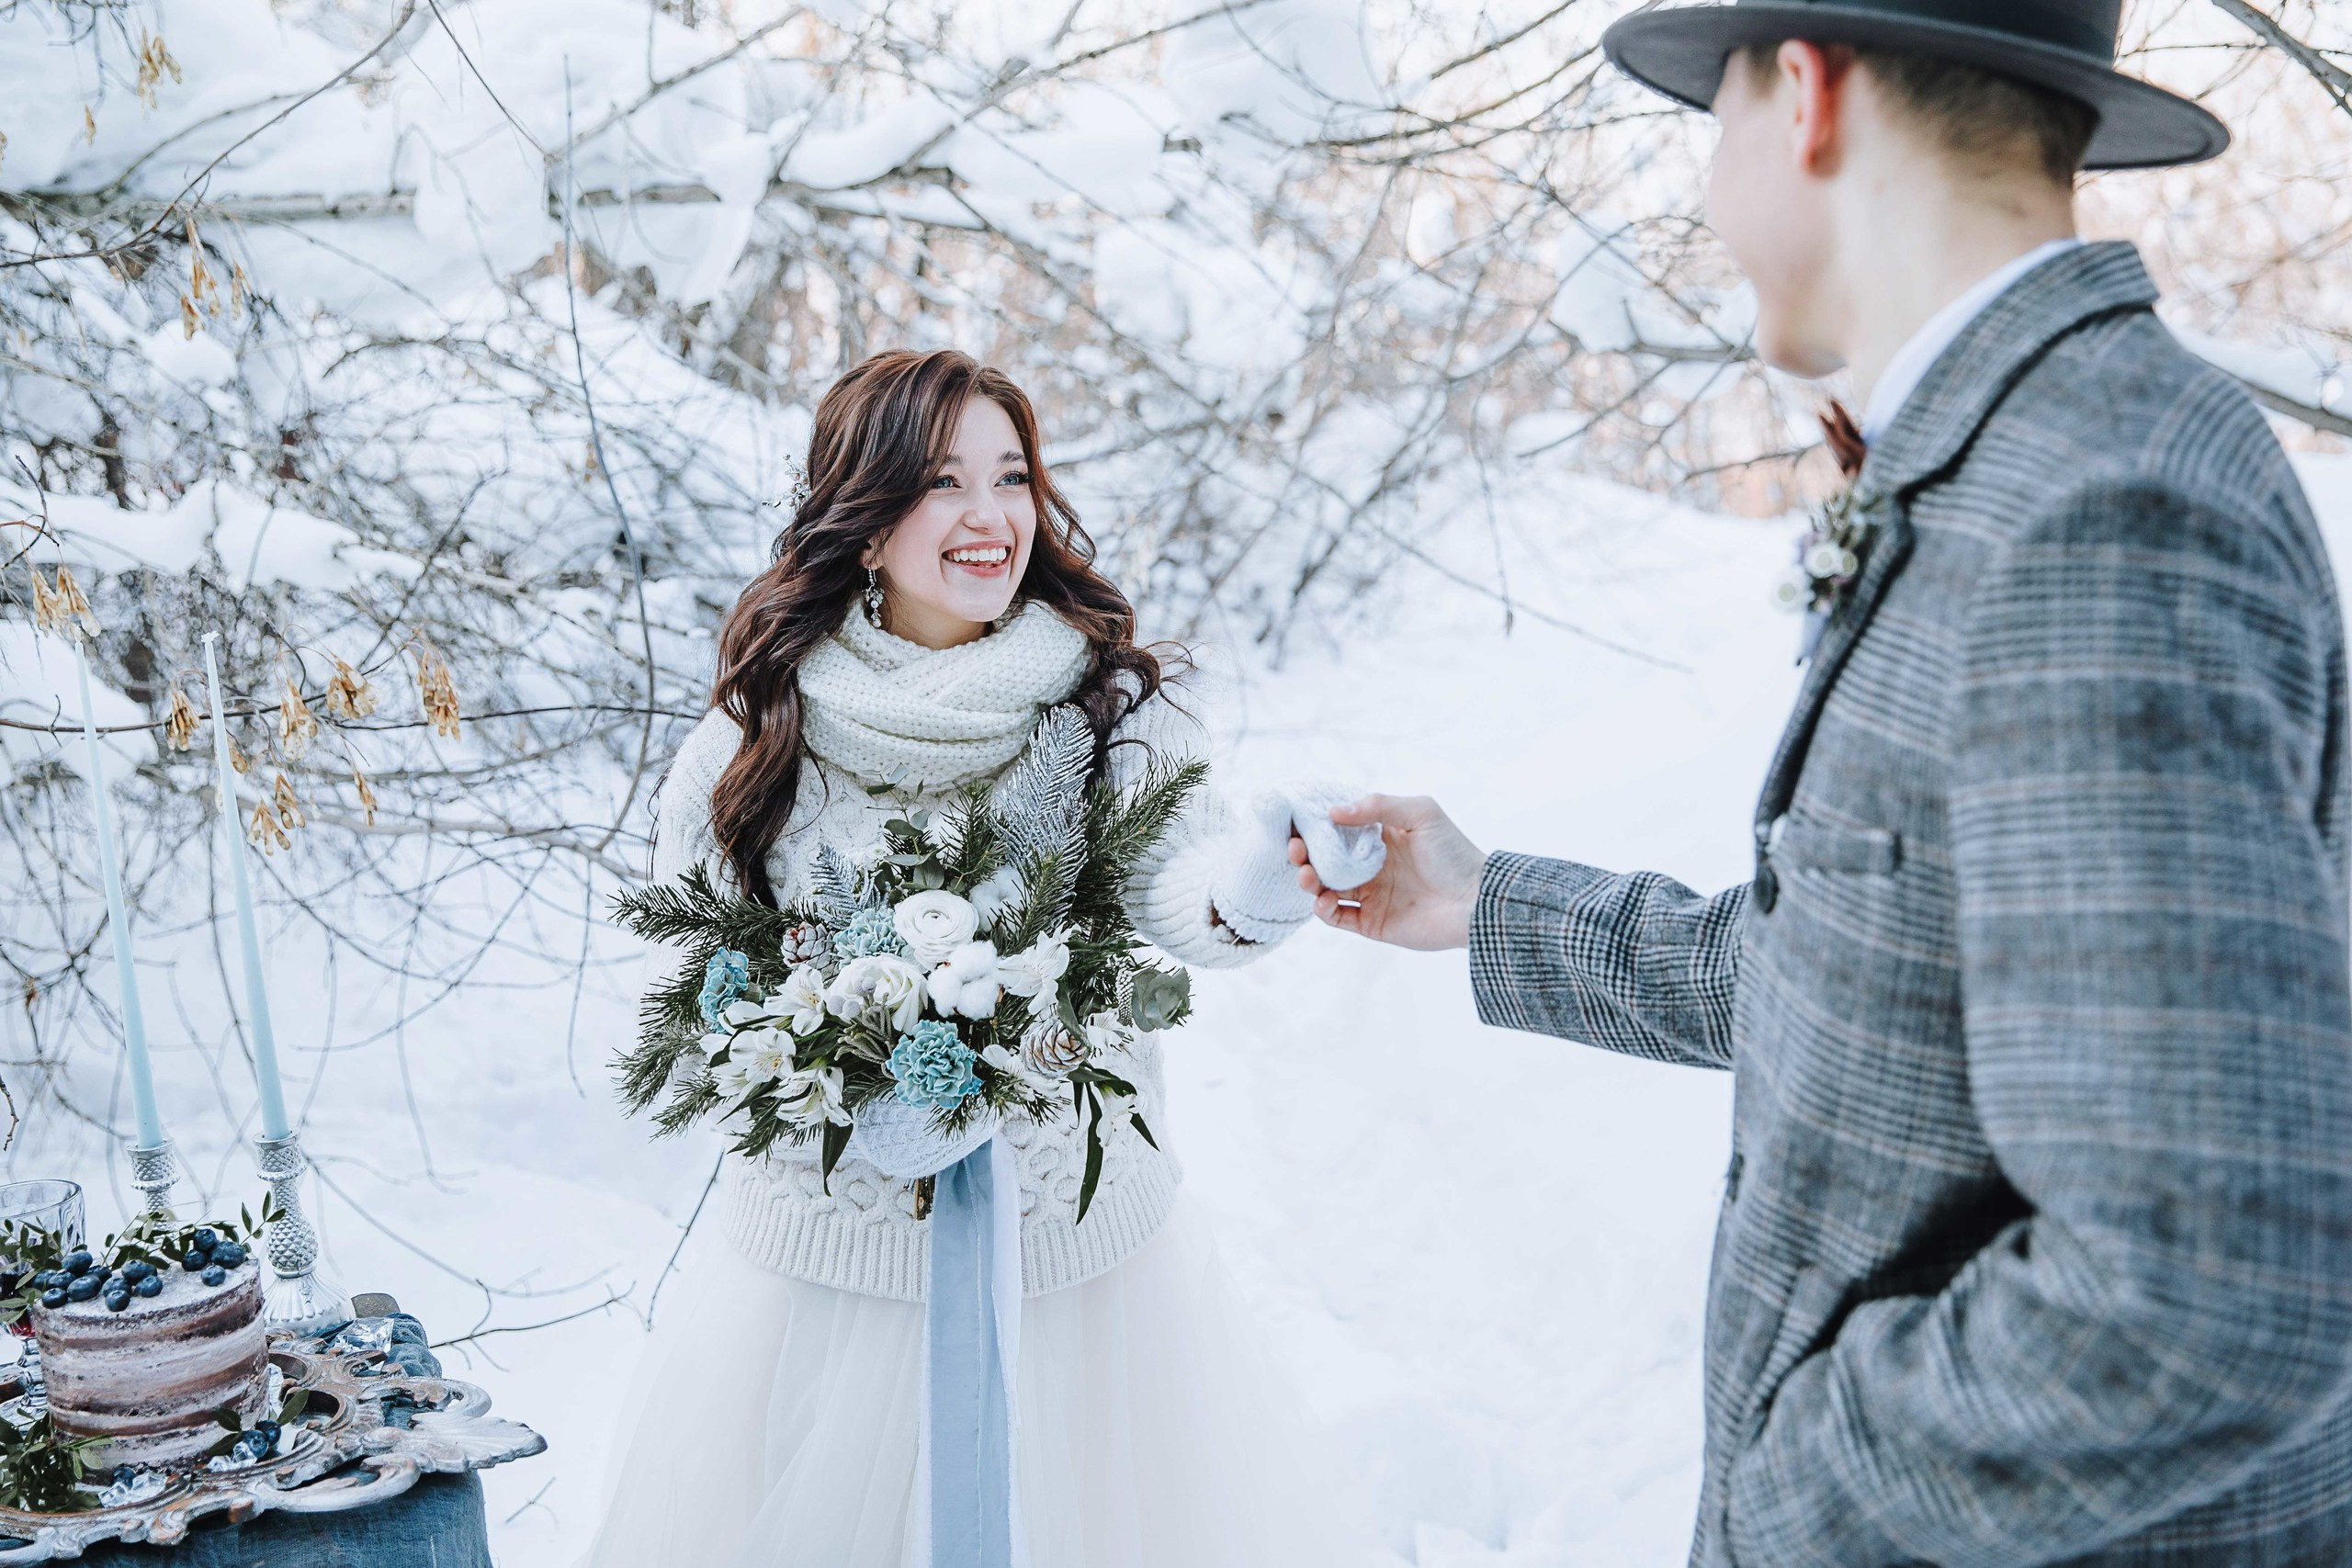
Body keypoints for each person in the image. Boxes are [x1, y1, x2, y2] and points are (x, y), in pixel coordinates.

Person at [1296, 3, 2352, 1564]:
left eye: (1710, 121)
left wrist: (1789, 1493)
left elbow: (2205, 1288)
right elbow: (1888, 967)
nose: (1708, 188)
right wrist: (1486, 903)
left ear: (1804, 98)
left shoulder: (2099, 511)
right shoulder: (2019, 454)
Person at [583, 349, 1367, 1568]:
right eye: (945, 481)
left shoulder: (1106, 705)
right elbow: (689, 981)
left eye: (1012, 477)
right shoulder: (765, 724)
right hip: (830, 1281)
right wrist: (843, 1080)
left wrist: (1268, 879)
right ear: (865, 515)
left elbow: (1182, 892)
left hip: (1072, 1277)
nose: (992, 515)